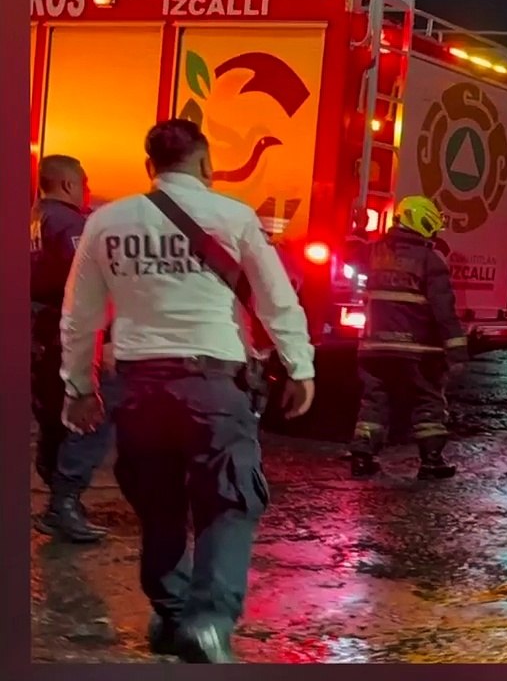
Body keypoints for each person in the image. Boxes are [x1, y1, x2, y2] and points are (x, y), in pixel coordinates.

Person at [60, 119, 316, 663]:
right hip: (212, 385)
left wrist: (78, 387)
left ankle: (172, 614)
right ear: (206, 165)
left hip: (138, 386)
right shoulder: (233, 216)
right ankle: (208, 621)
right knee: (229, 501)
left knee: (159, 503)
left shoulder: (106, 221)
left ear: (149, 167)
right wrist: (300, 367)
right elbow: (275, 299)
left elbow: (79, 317)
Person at [349, 194, 469, 479]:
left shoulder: (374, 251)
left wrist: (357, 228)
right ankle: (431, 461)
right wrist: (457, 352)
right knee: (427, 401)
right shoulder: (431, 261)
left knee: (374, 401)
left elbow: (350, 252)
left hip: (373, 347)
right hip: (418, 349)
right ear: (423, 222)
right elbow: (444, 313)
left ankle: (363, 458)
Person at [29, 155, 117, 543]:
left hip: (36, 332)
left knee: (52, 416)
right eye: (85, 183)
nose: (88, 192)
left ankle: (60, 501)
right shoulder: (71, 226)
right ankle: (63, 504)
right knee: (90, 410)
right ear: (68, 185)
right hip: (61, 332)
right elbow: (90, 283)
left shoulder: (33, 218)